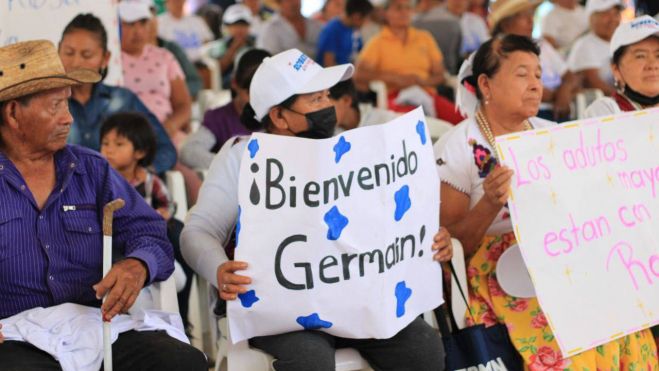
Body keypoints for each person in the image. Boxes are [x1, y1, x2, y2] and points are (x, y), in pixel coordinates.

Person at [181, 48, 452, 371]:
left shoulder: (351, 152)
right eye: (315, 100)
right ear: (279, 117)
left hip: (356, 298)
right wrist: (220, 270)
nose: (328, 107)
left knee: (423, 349)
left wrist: (426, 238)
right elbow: (196, 232)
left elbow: (384, 224)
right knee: (310, 361)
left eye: (327, 96)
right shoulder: (242, 157)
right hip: (280, 309)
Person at [436, 34, 658, 370]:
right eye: (522, 74)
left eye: (539, 75)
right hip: (496, 269)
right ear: (486, 84)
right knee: (571, 338)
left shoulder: (551, 134)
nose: (535, 85)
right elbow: (450, 250)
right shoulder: (459, 146)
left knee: (620, 319)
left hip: (560, 258)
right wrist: (489, 204)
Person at [0, 39, 206, 370]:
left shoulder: (91, 169)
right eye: (55, 106)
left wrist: (138, 263)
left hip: (98, 326)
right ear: (13, 113)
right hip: (13, 335)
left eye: (68, 105)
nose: (68, 119)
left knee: (181, 362)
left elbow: (150, 231)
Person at [100, 112, 196, 330]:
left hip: (149, 235)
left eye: (118, 144)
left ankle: (180, 317)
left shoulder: (149, 180)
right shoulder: (102, 179)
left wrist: (162, 213)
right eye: (104, 143)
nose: (108, 149)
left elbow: (167, 203)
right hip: (116, 236)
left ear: (140, 152)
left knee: (177, 234)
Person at [59, 13, 177, 174]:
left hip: (118, 194)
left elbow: (165, 149)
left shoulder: (122, 100)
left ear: (105, 58)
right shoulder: (45, 104)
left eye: (87, 55)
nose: (76, 62)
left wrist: (140, 173)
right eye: (68, 52)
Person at [355, 0, 464, 124]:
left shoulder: (424, 37)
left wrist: (422, 81)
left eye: (408, 8)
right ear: (386, 13)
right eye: (398, 8)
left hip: (427, 94)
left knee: (463, 121)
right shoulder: (378, 42)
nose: (404, 12)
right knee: (412, 123)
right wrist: (394, 79)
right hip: (395, 97)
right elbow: (359, 74)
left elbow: (441, 75)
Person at [180, 49, 270, 170]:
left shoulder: (280, 116)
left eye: (264, 93)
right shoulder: (218, 118)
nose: (257, 100)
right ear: (234, 83)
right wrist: (231, 165)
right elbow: (189, 151)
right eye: (250, 93)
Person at [489, 0, 577, 121]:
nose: (530, 20)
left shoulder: (541, 44)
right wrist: (559, 96)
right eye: (523, 16)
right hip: (527, 116)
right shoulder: (499, 50)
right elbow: (520, 90)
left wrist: (564, 92)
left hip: (559, 109)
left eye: (531, 14)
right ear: (505, 23)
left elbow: (570, 76)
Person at [119, 1, 192, 143]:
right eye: (130, 23)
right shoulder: (109, 60)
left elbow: (183, 105)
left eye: (143, 22)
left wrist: (167, 129)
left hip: (168, 134)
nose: (138, 30)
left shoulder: (165, 56)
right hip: (126, 139)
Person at [585, 16, 659, 116]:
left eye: (658, 55)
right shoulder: (606, 111)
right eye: (640, 56)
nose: (653, 65)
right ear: (616, 70)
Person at [146, 2, 204, 99]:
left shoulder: (171, 50)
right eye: (133, 23)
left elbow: (195, 81)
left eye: (152, 18)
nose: (149, 24)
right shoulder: (123, 56)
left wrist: (174, 96)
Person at [567, 0, 623, 96]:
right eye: (606, 13)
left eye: (616, 13)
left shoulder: (622, 42)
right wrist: (626, 100)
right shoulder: (584, 45)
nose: (612, 19)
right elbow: (593, 82)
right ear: (591, 18)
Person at [316, 0, 374, 67]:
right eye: (366, 18)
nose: (366, 23)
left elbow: (361, 51)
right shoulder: (332, 29)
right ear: (356, 17)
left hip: (348, 70)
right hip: (334, 74)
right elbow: (328, 64)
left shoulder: (353, 28)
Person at [211, 4, 256, 89]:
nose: (239, 28)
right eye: (235, 24)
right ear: (227, 26)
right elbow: (217, 71)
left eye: (243, 24)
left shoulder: (256, 42)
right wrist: (233, 48)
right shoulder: (219, 45)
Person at [412, 0, 463, 75]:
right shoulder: (455, 22)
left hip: (423, 74)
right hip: (450, 73)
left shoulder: (415, 22)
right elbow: (457, 53)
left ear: (425, 2)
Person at [256, 0, 322, 56]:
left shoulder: (315, 25)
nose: (293, 3)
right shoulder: (270, 28)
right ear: (279, 3)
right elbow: (269, 58)